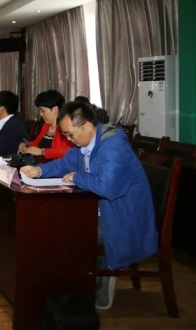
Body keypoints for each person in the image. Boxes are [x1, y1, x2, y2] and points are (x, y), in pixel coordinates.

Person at [21, 102, 158, 310]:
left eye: (70, 134)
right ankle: (64, 287)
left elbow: (107, 187)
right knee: (53, 226)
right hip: (100, 211)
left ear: (86, 126)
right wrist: (40, 171)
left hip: (122, 218)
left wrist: (77, 176)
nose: (68, 139)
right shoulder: (84, 143)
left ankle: (95, 282)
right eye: (65, 135)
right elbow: (65, 164)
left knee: (67, 233)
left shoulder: (114, 146)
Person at [18, 90, 73, 160]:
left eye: (43, 111)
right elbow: (37, 143)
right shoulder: (46, 126)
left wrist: (42, 151)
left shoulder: (65, 128)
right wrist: (25, 145)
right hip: (39, 163)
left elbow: (68, 151)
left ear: (55, 109)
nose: (41, 114)